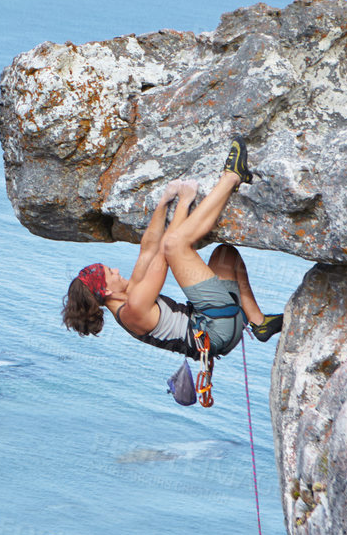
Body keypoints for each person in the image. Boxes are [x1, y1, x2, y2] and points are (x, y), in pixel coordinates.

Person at [61, 138, 282, 400]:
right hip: (216, 329)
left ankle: (259, 322)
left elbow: (147, 249)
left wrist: (164, 201)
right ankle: (232, 177)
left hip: (216, 324)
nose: (117, 270)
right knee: (176, 245)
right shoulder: (134, 309)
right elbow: (164, 254)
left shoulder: (129, 293)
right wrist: (184, 201)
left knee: (225, 255)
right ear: (106, 290)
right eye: (111, 273)